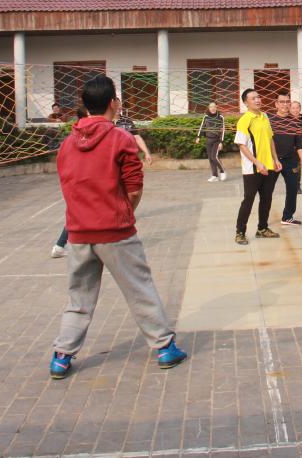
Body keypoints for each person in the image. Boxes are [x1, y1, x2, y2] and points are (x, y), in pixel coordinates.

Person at [49, 75, 186, 379]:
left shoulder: (67, 143)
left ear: (85, 104)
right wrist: (124, 213)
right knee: (140, 289)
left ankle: (61, 356)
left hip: (78, 232)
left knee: (78, 298)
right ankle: (164, 347)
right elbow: (134, 189)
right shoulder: (121, 139)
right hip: (115, 231)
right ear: (113, 103)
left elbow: (67, 185)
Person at [233, 88, 282, 245]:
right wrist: (257, 163)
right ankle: (240, 232)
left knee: (266, 199)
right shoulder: (245, 120)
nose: (257, 100)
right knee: (248, 200)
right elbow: (242, 145)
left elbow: (270, 139)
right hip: (252, 169)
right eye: (253, 98)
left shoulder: (265, 116)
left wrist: (275, 159)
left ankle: (262, 228)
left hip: (268, 167)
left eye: (258, 97)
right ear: (246, 102)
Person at [51, 107, 89, 259]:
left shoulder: (77, 133)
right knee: (79, 213)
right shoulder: (82, 134)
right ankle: (61, 245)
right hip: (80, 180)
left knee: (79, 213)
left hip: (76, 180)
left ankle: (61, 245)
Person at [268, 95, 302, 226]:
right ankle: (263, 221)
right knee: (267, 191)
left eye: (287, 102)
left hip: (290, 160)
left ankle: (287, 216)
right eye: (282, 102)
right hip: (273, 160)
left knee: (293, 188)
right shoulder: (269, 120)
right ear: (276, 104)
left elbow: (298, 144)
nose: (285, 104)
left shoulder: (295, 122)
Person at [195, 101, 226, 182]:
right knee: (210, 159)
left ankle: (222, 171)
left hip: (217, 140)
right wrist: (198, 137)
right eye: (211, 107)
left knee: (214, 157)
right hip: (208, 140)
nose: (212, 108)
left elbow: (223, 131)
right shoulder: (206, 117)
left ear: (216, 107)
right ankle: (215, 175)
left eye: (214, 107)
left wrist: (221, 142)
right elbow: (202, 127)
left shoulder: (220, 117)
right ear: (208, 108)